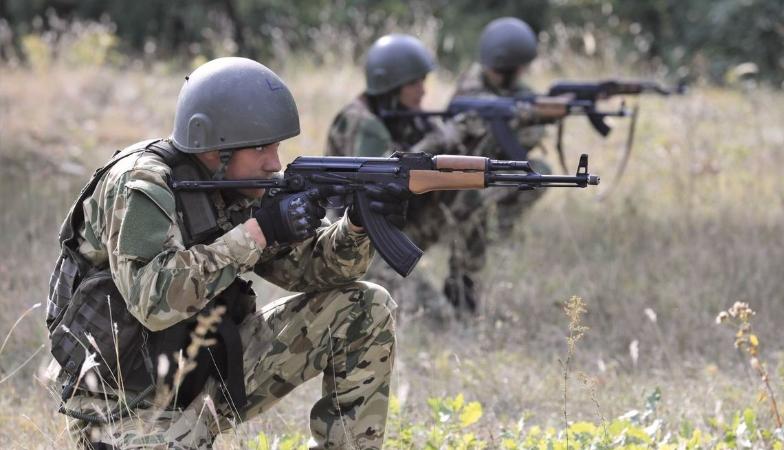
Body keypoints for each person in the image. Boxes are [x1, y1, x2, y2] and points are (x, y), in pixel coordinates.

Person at [45, 57, 407, 449]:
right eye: (260, 148)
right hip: (119, 404)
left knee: (365, 307)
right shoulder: (140, 186)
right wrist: (258, 233)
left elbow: (315, 271)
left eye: (276, 146)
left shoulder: (241, 185)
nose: (274, 163)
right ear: (215, 149)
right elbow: (153, 301)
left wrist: (356, 225)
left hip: (205, 374)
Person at [326, 34, 472, 318]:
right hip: (353, 234)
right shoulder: (363, 123)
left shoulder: (406, 114)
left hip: (388, 225)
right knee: (437, 316)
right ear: (390, 86)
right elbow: (385, 178)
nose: (422, 91)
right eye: (414, 83)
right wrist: (434, 143)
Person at [445, 17, 552, 311]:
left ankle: (486, 241)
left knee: (538, 172)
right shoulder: (471, 89)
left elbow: (530, 133)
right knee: (476, 206)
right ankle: (462, 275)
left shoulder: (514, 89)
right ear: (511, 65)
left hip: (485, 169)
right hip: (454, 175)